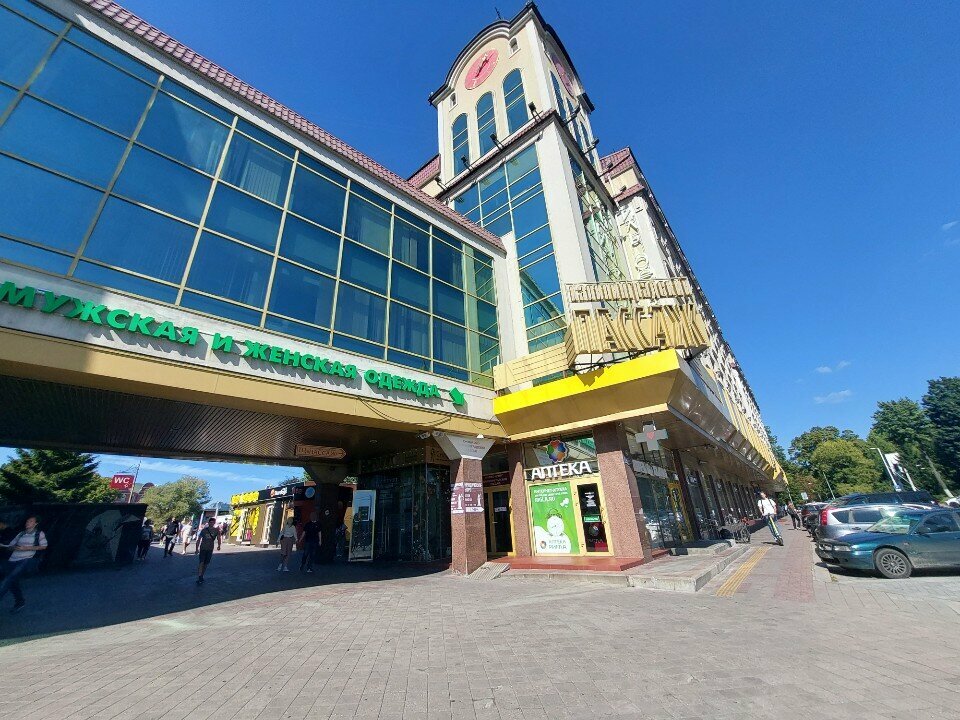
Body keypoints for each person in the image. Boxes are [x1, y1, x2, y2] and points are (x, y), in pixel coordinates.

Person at [0, 515, 48, 613]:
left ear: (35, 524)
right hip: (12, 559)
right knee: (12, 581)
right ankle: (20, 601)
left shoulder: (38, 534)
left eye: (30, 521)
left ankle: (18, 601)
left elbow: (43, 546)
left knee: (9, 578)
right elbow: (10, 546)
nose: (28, 523)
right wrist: (9, 547)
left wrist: (26, 548)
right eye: (27, 521)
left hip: (26, 559)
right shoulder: (20, 534)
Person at [195, 517, 221, 585]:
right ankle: (200, 576)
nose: (211, 523)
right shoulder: (204, 530)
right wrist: (196, 549)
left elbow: (219, 538)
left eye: (213, 522)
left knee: (206, 563)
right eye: (210, 522)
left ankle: (202, 575)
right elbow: (199, 539)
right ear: (209, 523)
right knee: (201, 562)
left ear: (214, 523)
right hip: (203, 548)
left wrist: (219, 545)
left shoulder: (216, 530)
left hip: (210, 549)